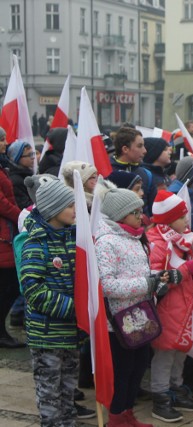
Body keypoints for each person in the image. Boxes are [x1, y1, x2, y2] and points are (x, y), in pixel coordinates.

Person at [94, 181, 164, 427]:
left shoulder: (135, 238)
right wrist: (147, 284)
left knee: (139, 367)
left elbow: (141, 274)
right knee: (123, 372)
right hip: (119, 320)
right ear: (121, 215)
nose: (141, 217)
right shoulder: (106, 242)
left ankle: (128, 413)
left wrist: (155, 282)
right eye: (136, 212)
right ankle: (115, 416)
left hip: (141, 315)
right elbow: (108, 286)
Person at [21, 179, 78, 426]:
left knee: (68, 391)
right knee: (49, 394)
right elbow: (33, 289)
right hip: (47, 335)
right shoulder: (36, 243)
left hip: (72, 333)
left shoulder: (74, 239)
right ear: (54, 209)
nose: (75, 209)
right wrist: (72, 308)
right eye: (69, 205)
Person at [147, 191, 193, 422]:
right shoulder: (157, 243)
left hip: (183, 306)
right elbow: (156, 282)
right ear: (168, 220)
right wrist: (184, 271)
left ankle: (176, 388)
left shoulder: (183, 240)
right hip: (165, 308)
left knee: (181, 349)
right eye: (182, 217)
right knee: (165, 353)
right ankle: (160, 397)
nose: (186, 221)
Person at [0, 127, 25, 348]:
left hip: (6, 231)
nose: (5, 143)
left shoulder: (2, 165)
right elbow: (2, 202)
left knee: (7, 284)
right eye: (2, 140)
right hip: (3, 234)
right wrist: (21, 215)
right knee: (7, 283)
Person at [110, 127, 156, 216]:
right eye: (139, 146)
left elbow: (152, 210)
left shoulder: (147, 174)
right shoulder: (108, 172)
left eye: (144, 146)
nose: (145, 151)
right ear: (125, 149)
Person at [7, 141, 35, 209]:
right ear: (17, 158)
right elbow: (24, 206)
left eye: (33, 154)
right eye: (29, 155)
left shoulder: (26, 175)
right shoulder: (16, 181)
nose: (33, 158)